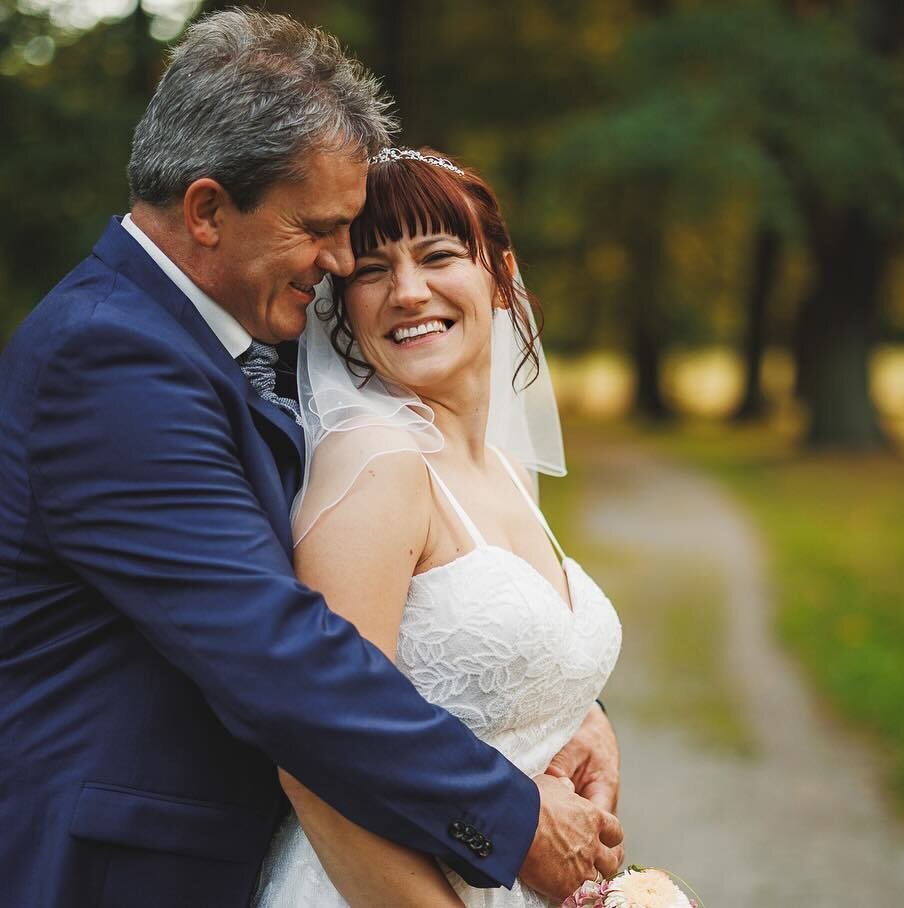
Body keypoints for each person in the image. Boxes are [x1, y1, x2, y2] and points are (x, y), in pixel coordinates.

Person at [0, 11, 620, 908]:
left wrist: (570, 709)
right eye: (322, 230)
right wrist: (515, 819)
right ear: (208, 210)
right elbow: (279, 657)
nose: (339, 263)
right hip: (124, 871)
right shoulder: (109, 359)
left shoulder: (215, 334)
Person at [253, 146, 622, 908]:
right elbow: (314, 749)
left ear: (499, 272)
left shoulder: (507, 469)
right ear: (342, 305)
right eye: (371, 270)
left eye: (438, 254)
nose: (409, 292)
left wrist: (583, 715)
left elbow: (476, 662)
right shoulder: (375, 466)